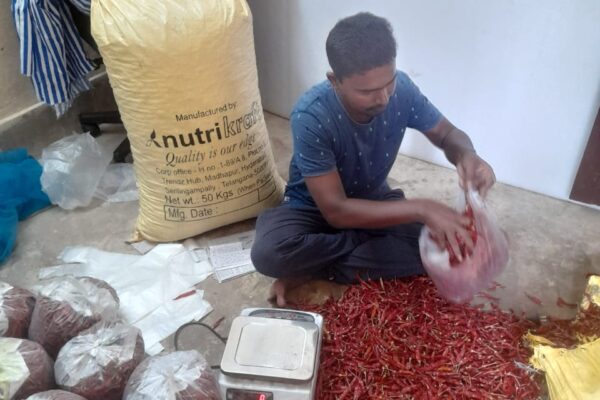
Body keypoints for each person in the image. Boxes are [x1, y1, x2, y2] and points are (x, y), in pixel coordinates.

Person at [250, 12, 495, 307]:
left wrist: (467, 154)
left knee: (452, 247)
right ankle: (342, 257)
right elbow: (336, 212)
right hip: (313, 210)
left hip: (375, 203)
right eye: (367, 91)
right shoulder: (312, 115)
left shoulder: (401, 89)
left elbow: (447, 134)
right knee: (270, 253)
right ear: (334, 81)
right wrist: (421, 208)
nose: (383, 98)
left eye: (388, 83)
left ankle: (313, 266)